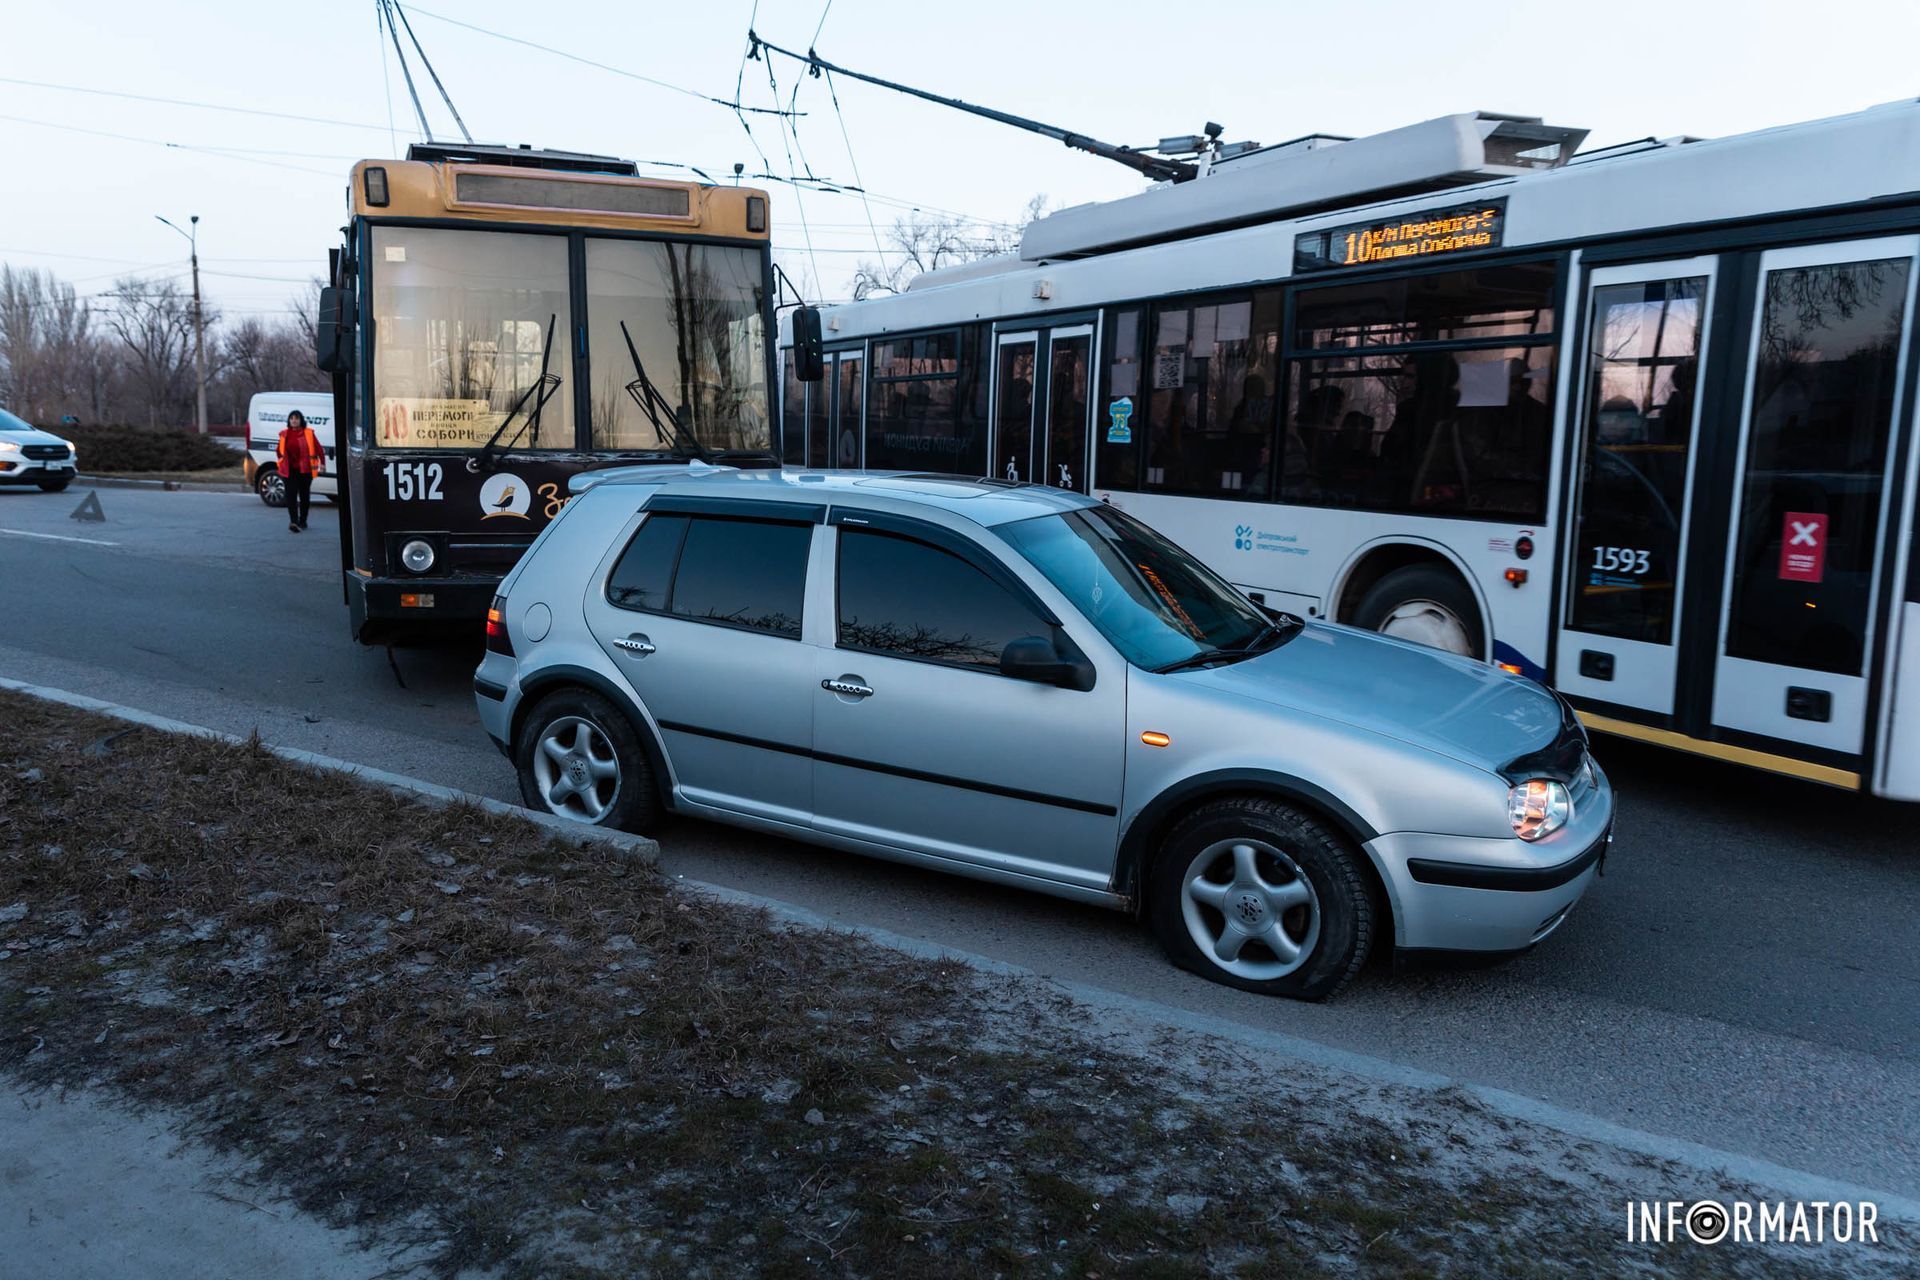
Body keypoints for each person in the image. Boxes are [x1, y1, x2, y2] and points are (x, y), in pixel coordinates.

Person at [276, 409, 325, 532]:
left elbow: (319, 449)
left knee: (304, 496)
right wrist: (282, 460)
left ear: (301, 420)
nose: (294, 420)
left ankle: (303, 521)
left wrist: (322, 463)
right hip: (289, 470)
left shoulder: (308, 433)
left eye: (296, 418)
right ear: (289, 421)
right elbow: (279, 450)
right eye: (291, 418)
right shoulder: (284, 434)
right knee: (290, 496)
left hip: (305, 470)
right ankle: (294, 521)